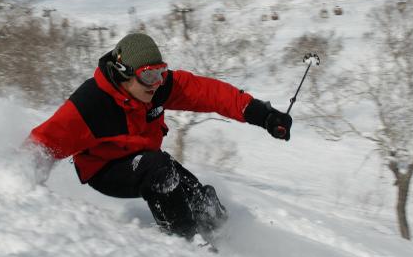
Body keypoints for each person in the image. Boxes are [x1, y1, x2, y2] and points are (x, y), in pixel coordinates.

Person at [25, 32, 293, 242]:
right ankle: (187, 245)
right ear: (123, 74)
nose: (157, 82)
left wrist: (263, 115)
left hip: (146, 158)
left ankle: (229, 244)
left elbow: (210, 93)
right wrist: (16, 183)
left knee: (202, 199)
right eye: (148, 75)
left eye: (161, 72)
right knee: (161, 173)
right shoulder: (92, 104)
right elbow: (44, 143)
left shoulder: (158, 88)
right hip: (106, 170)